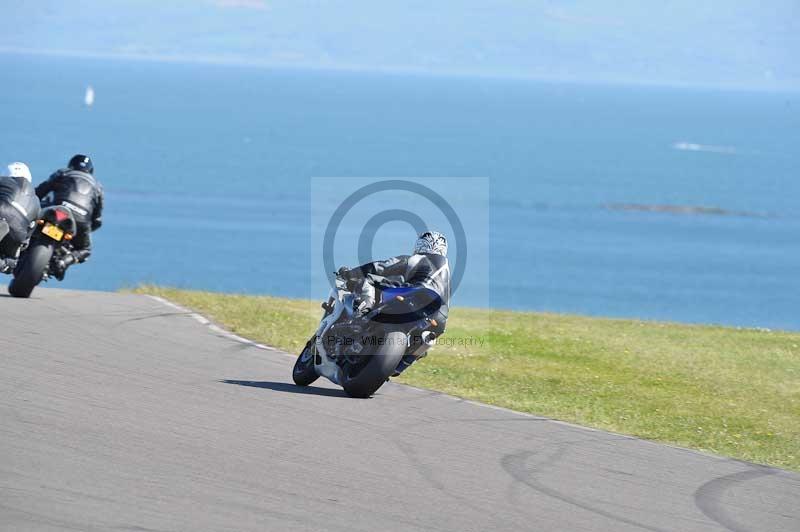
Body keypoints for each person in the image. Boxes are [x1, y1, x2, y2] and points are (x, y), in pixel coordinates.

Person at [337, 230, 451, 376]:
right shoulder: (447, 274)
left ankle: (360, 315)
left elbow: (382, 267)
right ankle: (402, 363)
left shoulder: (418, 258)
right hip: (440, 315)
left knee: (369, 281)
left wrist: (351, 274)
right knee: (427, 338)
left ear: (420, 245)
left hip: (414, 294)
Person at [35, 154, 104, 280]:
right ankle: (64, 261)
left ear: (71, 165)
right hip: (80, 221)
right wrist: (84, 230)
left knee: (33, 220)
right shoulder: (97, 187)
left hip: (58, 211)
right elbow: (97, 220)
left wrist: (32, 202)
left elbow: (40, 191)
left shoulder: (63, 173)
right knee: (85, 249)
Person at [0, 162, 41, 274]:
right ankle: (5, 264)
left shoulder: (4, 180)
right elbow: (30, 232)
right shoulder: (36, 200)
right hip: (17, 234)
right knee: (10, 262)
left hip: (2, 214)